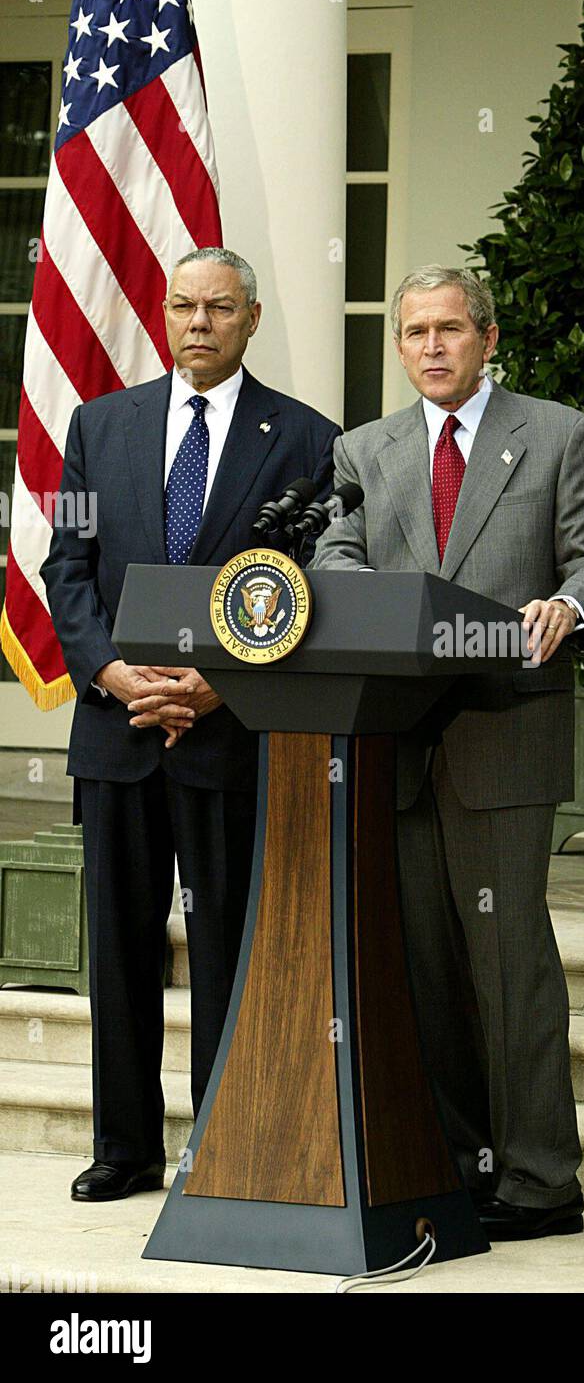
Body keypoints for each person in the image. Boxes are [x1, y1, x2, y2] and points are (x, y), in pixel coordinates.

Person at [312, 265, 584, 1240]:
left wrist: (568, 605)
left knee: (507, 962)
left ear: (488, 339)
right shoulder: (364, 449)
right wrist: (343, 586)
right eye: (414, 331)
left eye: (450, 328)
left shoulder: (557, 434)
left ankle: (541, 1181)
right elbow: (336, 558)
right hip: (399, 740)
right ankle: (456, 1165)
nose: (432, 346)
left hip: (504, 734)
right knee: (425, 967)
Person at [41, 247, 340, 1202]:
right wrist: (114, 676)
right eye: (182, 306)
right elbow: (67, 568)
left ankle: (221, 1143)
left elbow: (309, 587)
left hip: (229, 735)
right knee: (120, 949)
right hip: (119, 732)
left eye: (219, 308)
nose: (198, 323)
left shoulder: (306, 438)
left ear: (253, 319)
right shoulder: (99, 426)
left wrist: (217, 681)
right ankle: (123, 1147)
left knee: (224, 954)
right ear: (162, 316)